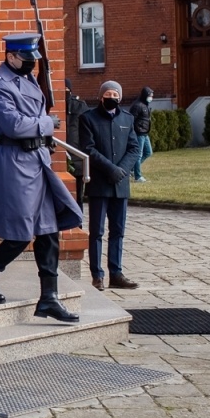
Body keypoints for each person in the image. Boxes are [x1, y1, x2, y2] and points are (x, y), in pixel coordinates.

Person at [0, 33, 83, 319]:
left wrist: (44, 135)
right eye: (25, 60)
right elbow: (14, 126)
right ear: (10, 56)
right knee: (19, 234)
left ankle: (49, 296)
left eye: (34, 62)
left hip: (37, 160)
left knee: (48, 229)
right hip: (14, 163)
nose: (30, 66)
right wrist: (47, 124)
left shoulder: (29, 78)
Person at [78, 79, 142, 291]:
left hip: (120, 184)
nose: (112, 99)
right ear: (101, 96)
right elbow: (89, 147)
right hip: (99, 183)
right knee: (96, 231)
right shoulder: (88, 118)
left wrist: (121, 170)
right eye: (108, 95)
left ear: (120, 98)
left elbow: (134, 148)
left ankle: (116, 273)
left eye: (116, 96)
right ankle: (97, 275)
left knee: (118, 231)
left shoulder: (127, 118)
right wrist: (110, 169)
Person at [129, 88, 154, 181]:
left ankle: (132, 169)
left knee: (148, 152)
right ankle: (138, 176)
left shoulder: (145, 105)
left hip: (144, 133)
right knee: (138, 155)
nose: (151, 98)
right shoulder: (137, 105)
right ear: (145, 95)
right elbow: (131, 120)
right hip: (139, 133)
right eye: (150, 96)